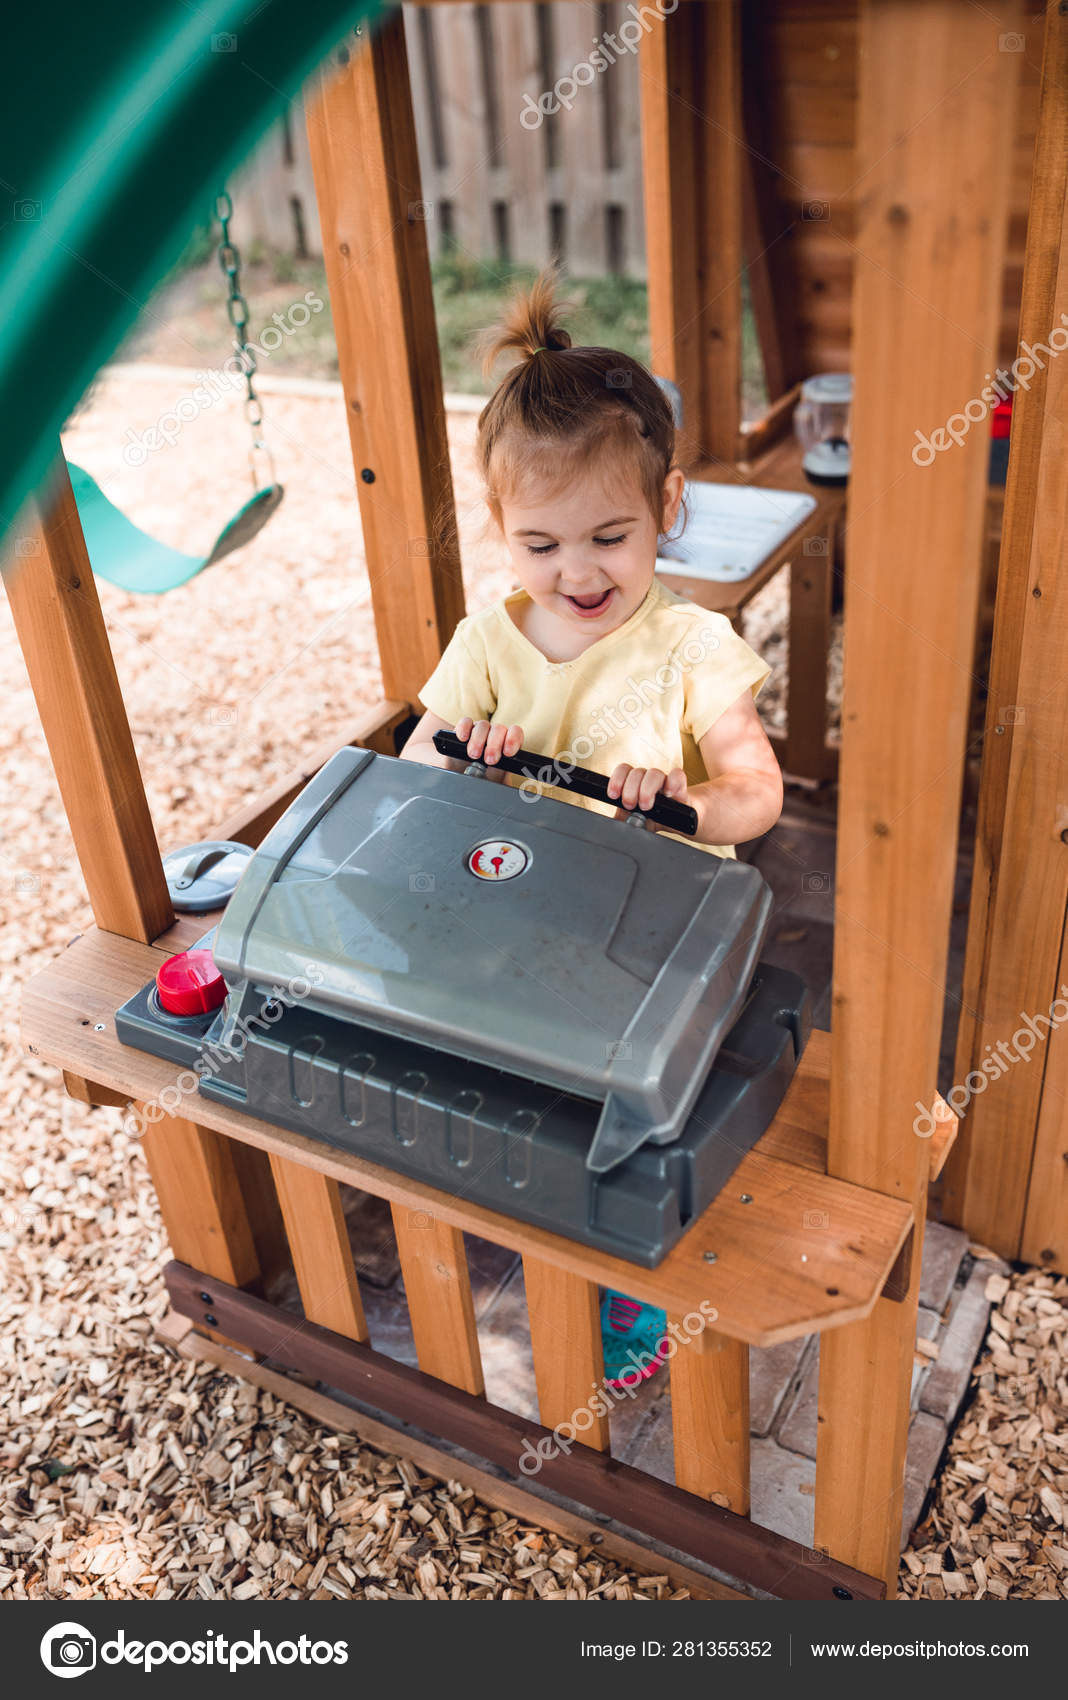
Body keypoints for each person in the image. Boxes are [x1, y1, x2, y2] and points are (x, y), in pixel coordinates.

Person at [402, 271, 782, 1385]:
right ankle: (498, 1203)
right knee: (504, 1080)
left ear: (669, 506)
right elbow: (415, 762)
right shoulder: (489, 635)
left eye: (610, 536)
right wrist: (458, 756)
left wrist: (684, 800)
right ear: (502, 532)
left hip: (646, 934)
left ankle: (622, 1287)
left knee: (621, 1127)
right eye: (541, 544)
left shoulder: (691, 647)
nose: (576, 572)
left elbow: (758, 794)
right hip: (514, 911)